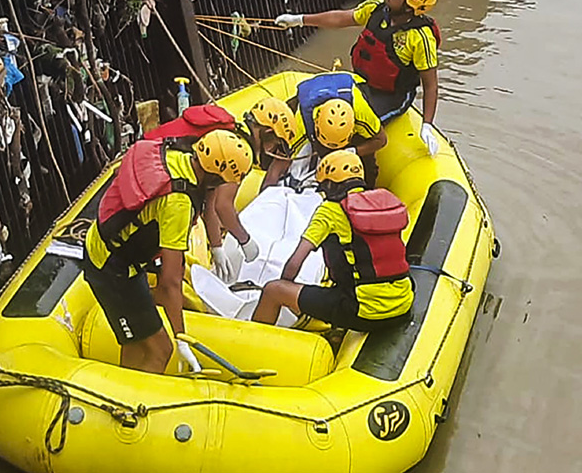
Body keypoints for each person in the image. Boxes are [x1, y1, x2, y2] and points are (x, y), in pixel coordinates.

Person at [84, 130, 253, 373]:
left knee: (136, 341)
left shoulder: (181, 157)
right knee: (161, 350)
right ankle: (136, 405)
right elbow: (171, 283)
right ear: (215, 176)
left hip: (116, 255)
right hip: (111, 268)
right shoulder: (179, 202)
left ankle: (124, 384)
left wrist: (216, 247)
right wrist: (181, 337)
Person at [276, 0, 441, 153]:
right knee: (310, 94)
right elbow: (340, 18)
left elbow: (430, 85)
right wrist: (299, 20)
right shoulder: (376, 8)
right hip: (360, 80)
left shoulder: (420, 38)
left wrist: (427, 125)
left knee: (340, 123)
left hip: (390, 96)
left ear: (409, 7)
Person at [251, 150, 413, 331]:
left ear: (329, 184)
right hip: (403, 304)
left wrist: (286, 288)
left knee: (273, 290)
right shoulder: (382, 203)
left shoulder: (330, 210)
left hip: (362, 310)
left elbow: (295, 262)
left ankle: (254, 344)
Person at [144, 97, 298, 283]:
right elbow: (223, 206)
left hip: (153, 163)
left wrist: (216, 247)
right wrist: (245, 241)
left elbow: (211, 197)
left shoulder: (230, 131)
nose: (273, 150)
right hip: (161, 181)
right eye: (275, 144)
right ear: (266, 132)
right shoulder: (239, 150)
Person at [265, 72, 386, 189]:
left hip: (349, 92)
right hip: (310, 96)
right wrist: (264, 196)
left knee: (368, 169)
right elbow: (280, 162)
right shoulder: (301, 123)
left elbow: (381, 139)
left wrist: (352, 151)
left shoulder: (360, 112)